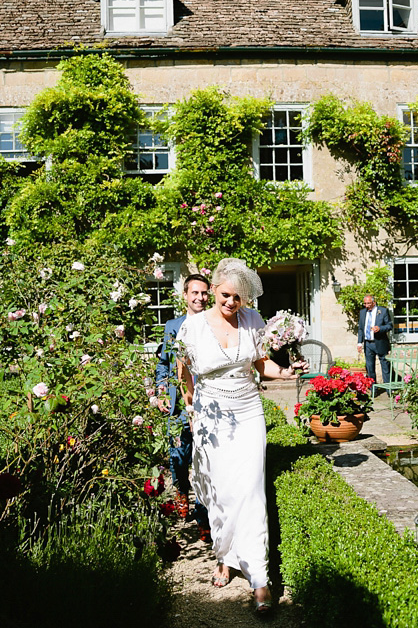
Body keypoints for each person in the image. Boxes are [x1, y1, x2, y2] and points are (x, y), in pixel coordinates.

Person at [175, 258, 303, 615]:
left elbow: (260, 364)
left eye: (238, 298)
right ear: (214, 290)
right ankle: (225, 554)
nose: (232, 303)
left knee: (250, 491)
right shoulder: (193, 327)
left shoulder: (253, 321)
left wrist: (286, 373)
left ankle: (260, 580)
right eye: (226, 295)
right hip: (211, 416)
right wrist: (190, 401)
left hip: (248, 412)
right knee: (221, 492)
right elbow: (183, 368)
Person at [155, 273, 210, 535]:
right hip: (178, 405)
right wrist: (162, 389)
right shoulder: (173, 326)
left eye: (204, 293)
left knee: (204, 460)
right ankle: (181, 492)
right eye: (195, 293)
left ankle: (203, 516)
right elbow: (164, 363)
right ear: (185, 295)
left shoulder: (214, 324)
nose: (200, 298)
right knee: (178, 457)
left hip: (207, 404)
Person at [357, 294, 392, 383]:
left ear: (374, 302)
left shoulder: (383, 311)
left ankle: (389, 389)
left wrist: (380, 328)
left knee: (385, 367)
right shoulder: (362, 312)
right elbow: (361, 328)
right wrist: (359, 343)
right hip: (368, 344)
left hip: (380, 342)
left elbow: (389, 325)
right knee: (370, 367)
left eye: (369, 303)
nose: (367, 306)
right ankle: (373, 389)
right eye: (365, 304)